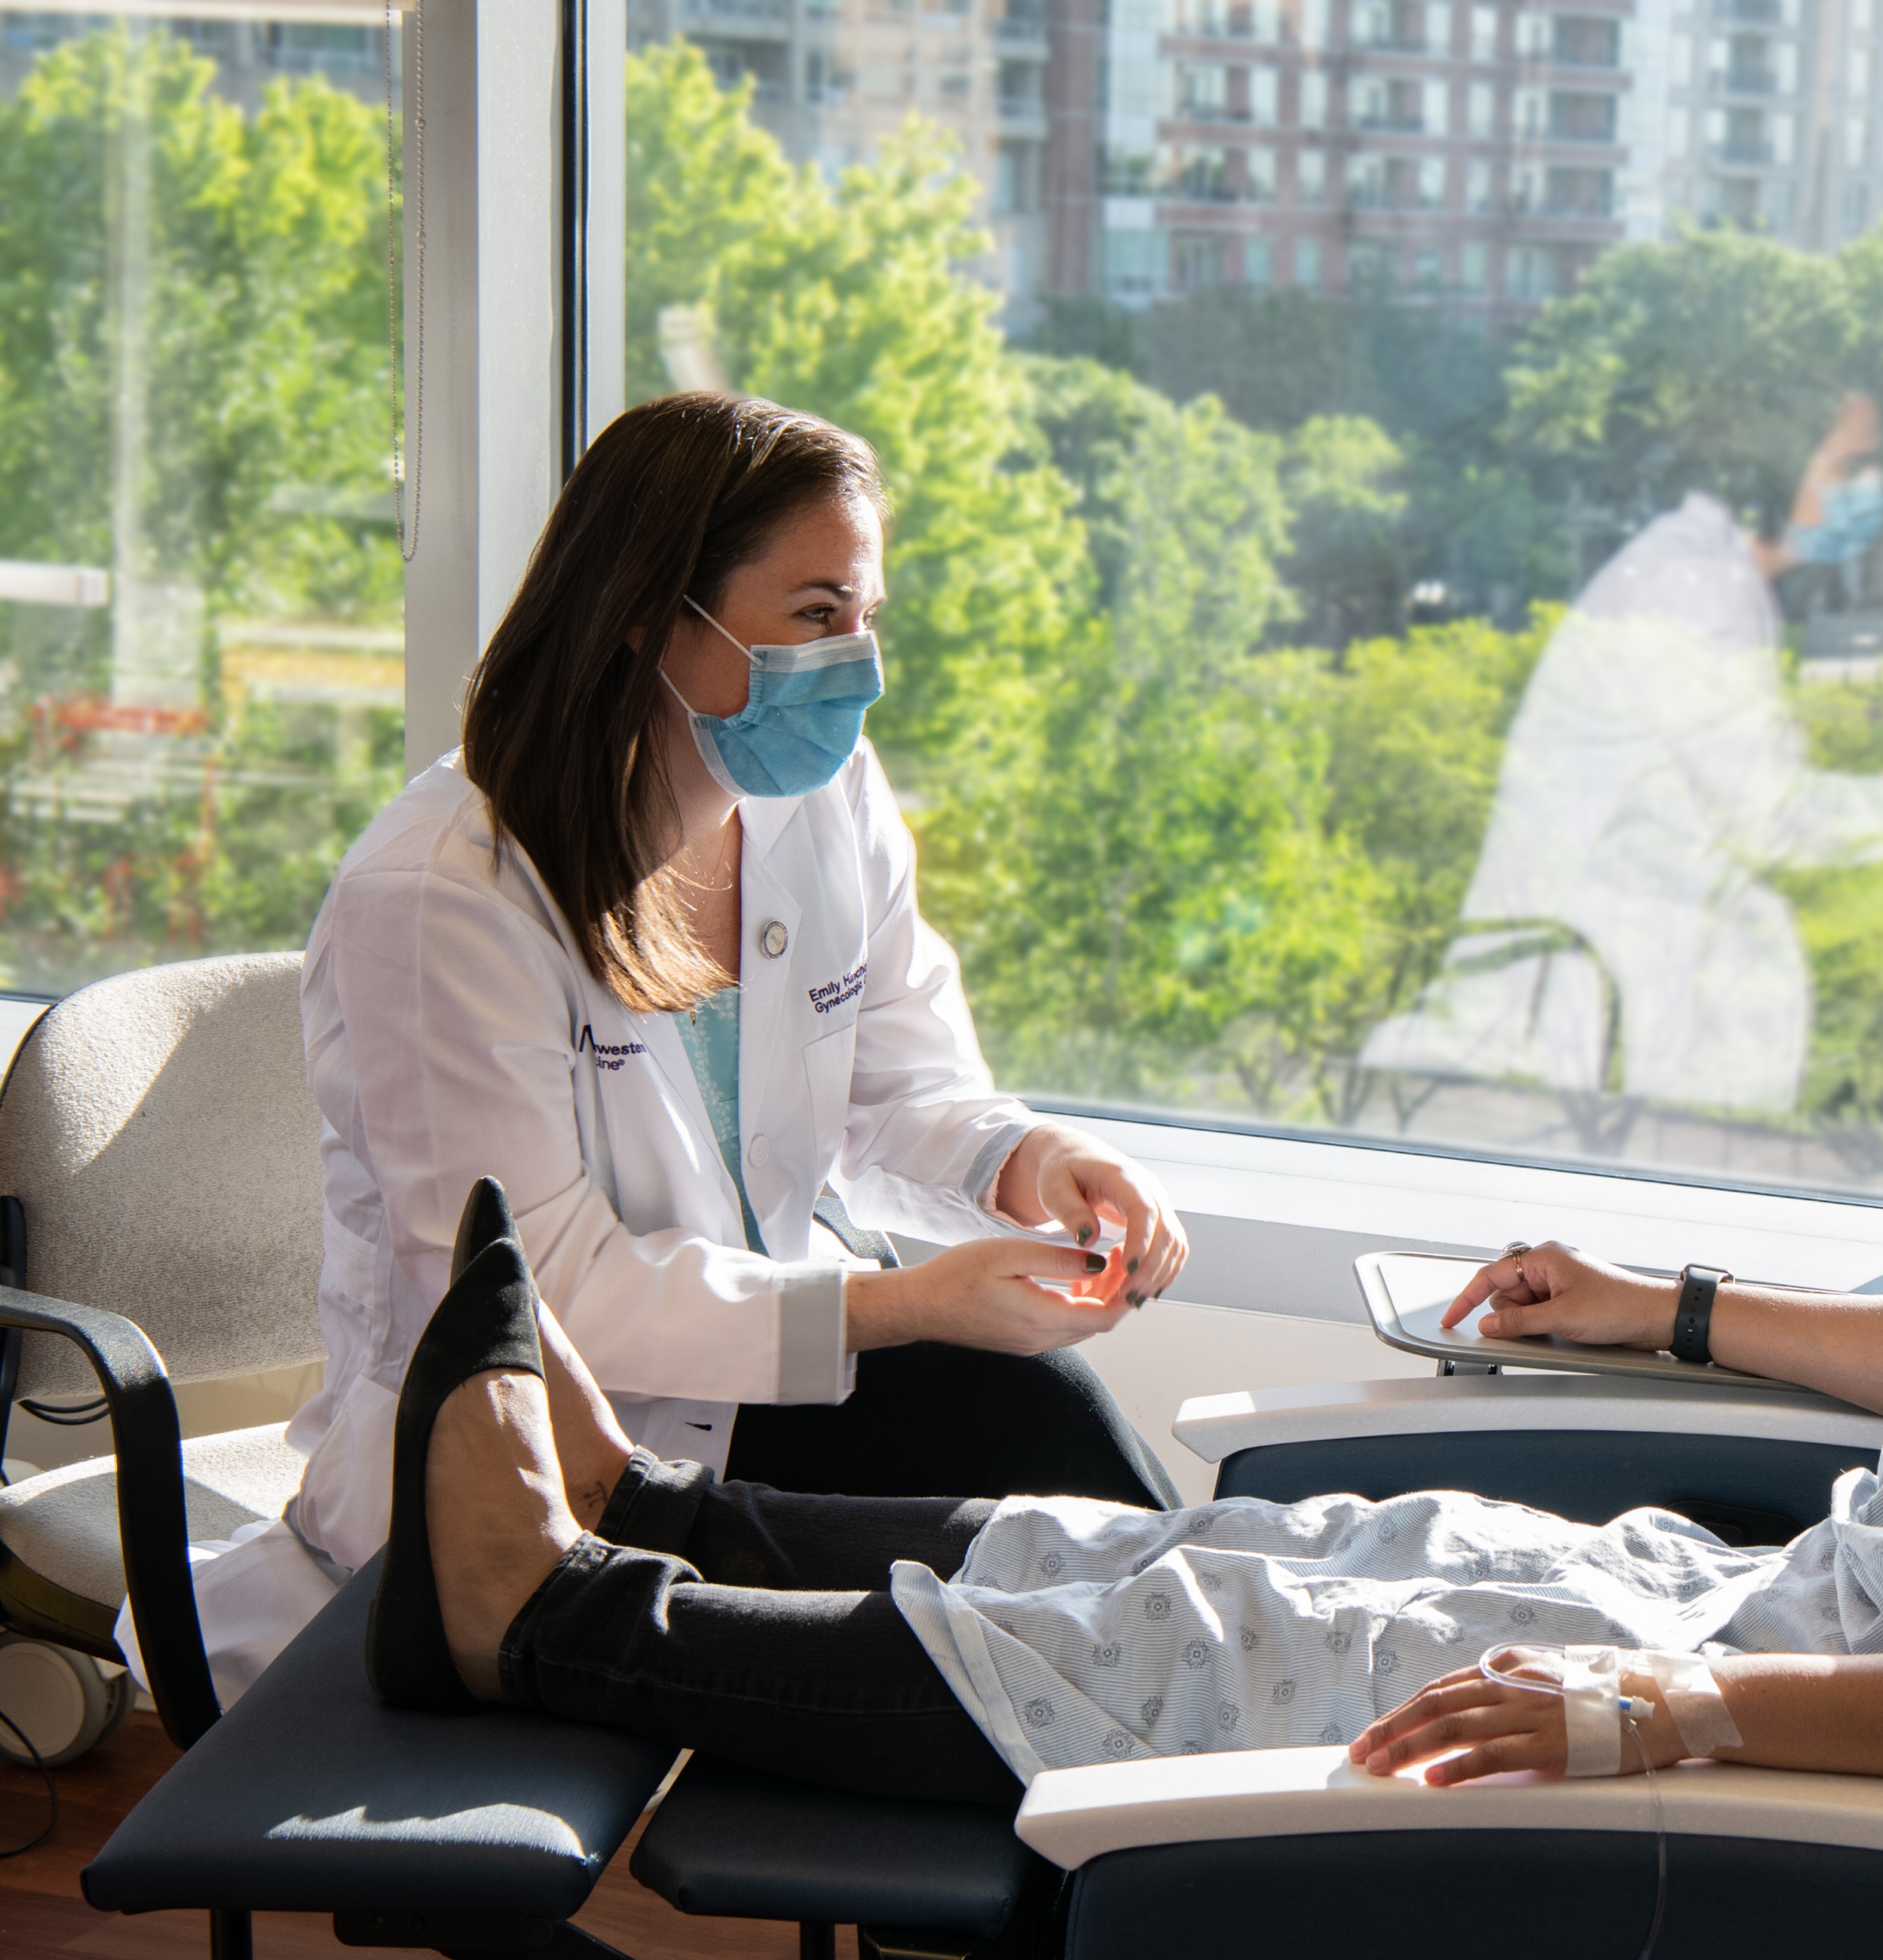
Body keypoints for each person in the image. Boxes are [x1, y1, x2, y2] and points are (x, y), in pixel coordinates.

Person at [365, 722, 1883, 1867]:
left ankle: (551, 1626)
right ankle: (662, 1532)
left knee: (1215, 1638)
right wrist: (1669, 1311)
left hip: (1795, 1720)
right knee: (1248, 1549)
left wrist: (1668, 1721)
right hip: (1768, 1606)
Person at [164, 394, 1195, 1704]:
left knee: (1051, 1445)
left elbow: (900, 1080)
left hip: (752, 1394)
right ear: (653, 615)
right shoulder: (444, 896)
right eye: (816, 616)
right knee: (994, 1621)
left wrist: (1031, 1158)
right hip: (545, 1456)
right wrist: (906, 1305)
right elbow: (539, 1304)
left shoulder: (821, 799)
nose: (859, 665)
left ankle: (1192, 1790)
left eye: (867, 616)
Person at [1359, 391, 1883, 1121]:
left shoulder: (1707, 577)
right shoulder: (1692, 588)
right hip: (1555, 1048)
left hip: (1594, 1031)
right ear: (1780, 461)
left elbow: (1730, 800)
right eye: (1853, 463)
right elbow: (1773, 818)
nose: (1872, 488)